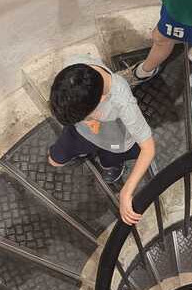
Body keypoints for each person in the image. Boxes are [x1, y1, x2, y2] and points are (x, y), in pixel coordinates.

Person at [48, 54, 155, 225]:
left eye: (86, 115)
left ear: (101, 100)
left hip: (114, 138)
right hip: (81, 132)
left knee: (109, 161)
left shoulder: (122, 101)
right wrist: (86, 121)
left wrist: (127, 190)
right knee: (55, 160)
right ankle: (87, 151)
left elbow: (148, 148)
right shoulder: (74, 70)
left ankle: (112, 164)